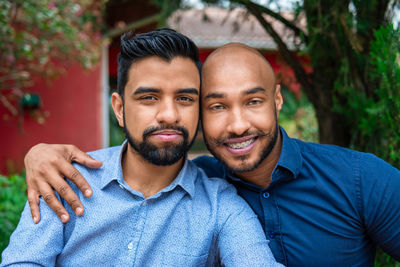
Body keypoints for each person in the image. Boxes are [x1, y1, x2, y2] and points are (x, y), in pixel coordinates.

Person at [22, 40, 400, 266]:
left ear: (278, 100)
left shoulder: (357, 179)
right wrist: (37, 152)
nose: (237, 125)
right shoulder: (64, 177)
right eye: (217, 106)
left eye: (253, 101)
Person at [1, 29, 282, 266]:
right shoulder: (65, 180)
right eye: (149, 98)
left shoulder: (220, 205)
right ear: (120, 109)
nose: (169, 115)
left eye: (185, 98)